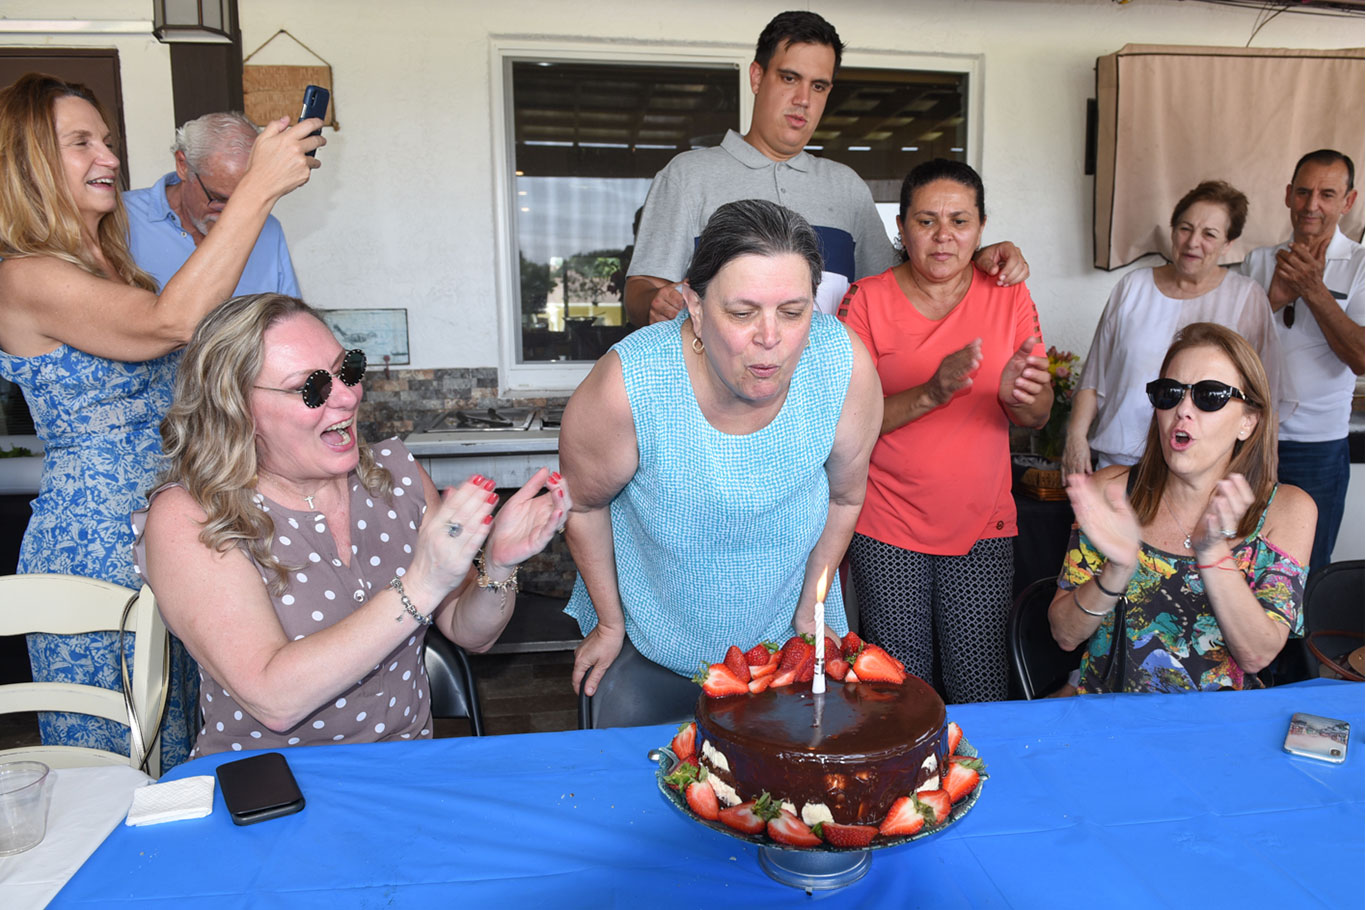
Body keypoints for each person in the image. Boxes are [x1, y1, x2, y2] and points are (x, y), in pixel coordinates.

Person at [0, 73, 321, 768]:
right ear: (27, 162)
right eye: (81, 142)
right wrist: (258, 189)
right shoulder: (22, 277)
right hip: (98, 545)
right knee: (115, 772)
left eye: (108, 141)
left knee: (183, 760)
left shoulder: (115, 267)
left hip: (175, 529)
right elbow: (171, 322)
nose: (110, 159)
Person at [132, 294, 569, 756]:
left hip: (404, 772)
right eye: (312, 387)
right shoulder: (192, 515)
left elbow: (469, 632)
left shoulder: (396, 476)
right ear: (236, 408)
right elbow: (272, 698)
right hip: (274, 790)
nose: (347, 395)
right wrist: (420, 585)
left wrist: (497, 567)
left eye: (349, 369)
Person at [562, 199, 882, 696]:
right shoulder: (628, 384)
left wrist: (808, 609)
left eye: (794, 312)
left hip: (786, 642)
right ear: (694, 303)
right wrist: (608, 623)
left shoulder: (843, 367)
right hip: (650, 639)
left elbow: (845, 496)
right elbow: (582, 505)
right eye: (742, 312)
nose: (770, 338)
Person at [624, 10, 1028, 327]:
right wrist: (654, 303)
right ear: (757, 76)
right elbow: (642, 290)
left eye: (818, 86)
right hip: (720, 412)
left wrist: (974, 258)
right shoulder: (689, 175)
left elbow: (907, 283)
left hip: (827, 411)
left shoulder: (846, 187)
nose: (803, 99)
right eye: (789, 78)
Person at [839, 158, 1051, 704]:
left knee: (980, 686)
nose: (943, 236)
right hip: (886, 521)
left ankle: (970, 788)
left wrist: (1019, 399)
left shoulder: (1008, 293)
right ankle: (911, 791)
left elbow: (1038, 413)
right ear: (901, 228)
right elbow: (846, 427)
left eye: (960, 221)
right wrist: (932, 392)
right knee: (900, 693)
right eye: (926, 220)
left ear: (982, 228)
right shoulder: (865, 302)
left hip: (982, 522)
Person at [1050, 323, 1315, 693]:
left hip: (1217, 733)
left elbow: (1257, 655)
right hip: (1109, 725)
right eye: (1169, 393)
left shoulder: (1287, 509)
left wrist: (1213, 552)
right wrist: (1117, 570)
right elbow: (1064, 635)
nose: (1183, 410)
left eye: (1210, 396)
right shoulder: (1110, 490)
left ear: (1248, 422)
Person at [1064, 180, 1288, 475]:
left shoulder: (1246, 297)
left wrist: (1263, 469)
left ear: (1228, 244)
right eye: (1185, 228)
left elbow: (1264, 396)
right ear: (1172, 231)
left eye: (1209, 234)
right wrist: (1076, 438)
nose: (1193, 242)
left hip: (1203, 472)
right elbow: (1094, 375)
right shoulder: (1133, 287)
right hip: (1120, 462)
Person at [1239, 150, 1363, 572]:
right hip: (1250, 439)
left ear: (1348, 201)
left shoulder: (1361, 265)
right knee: (1242, 560)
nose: (1313, 205)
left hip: (1318, 447)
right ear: (1289, 195)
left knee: (1307, 568)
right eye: (1304, 192)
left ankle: (1301, 644)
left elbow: (1361, 357)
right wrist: (1273, 299)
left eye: (1327, 194)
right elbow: (1231, 352)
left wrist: (1314, 290)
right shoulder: (1258, 261)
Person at [125, 111, 301, 296]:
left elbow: (291, 318)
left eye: (245, 198)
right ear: (183, 165)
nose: (232, 210)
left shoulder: (268, 229)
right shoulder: (123, 217)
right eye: (219, 198)